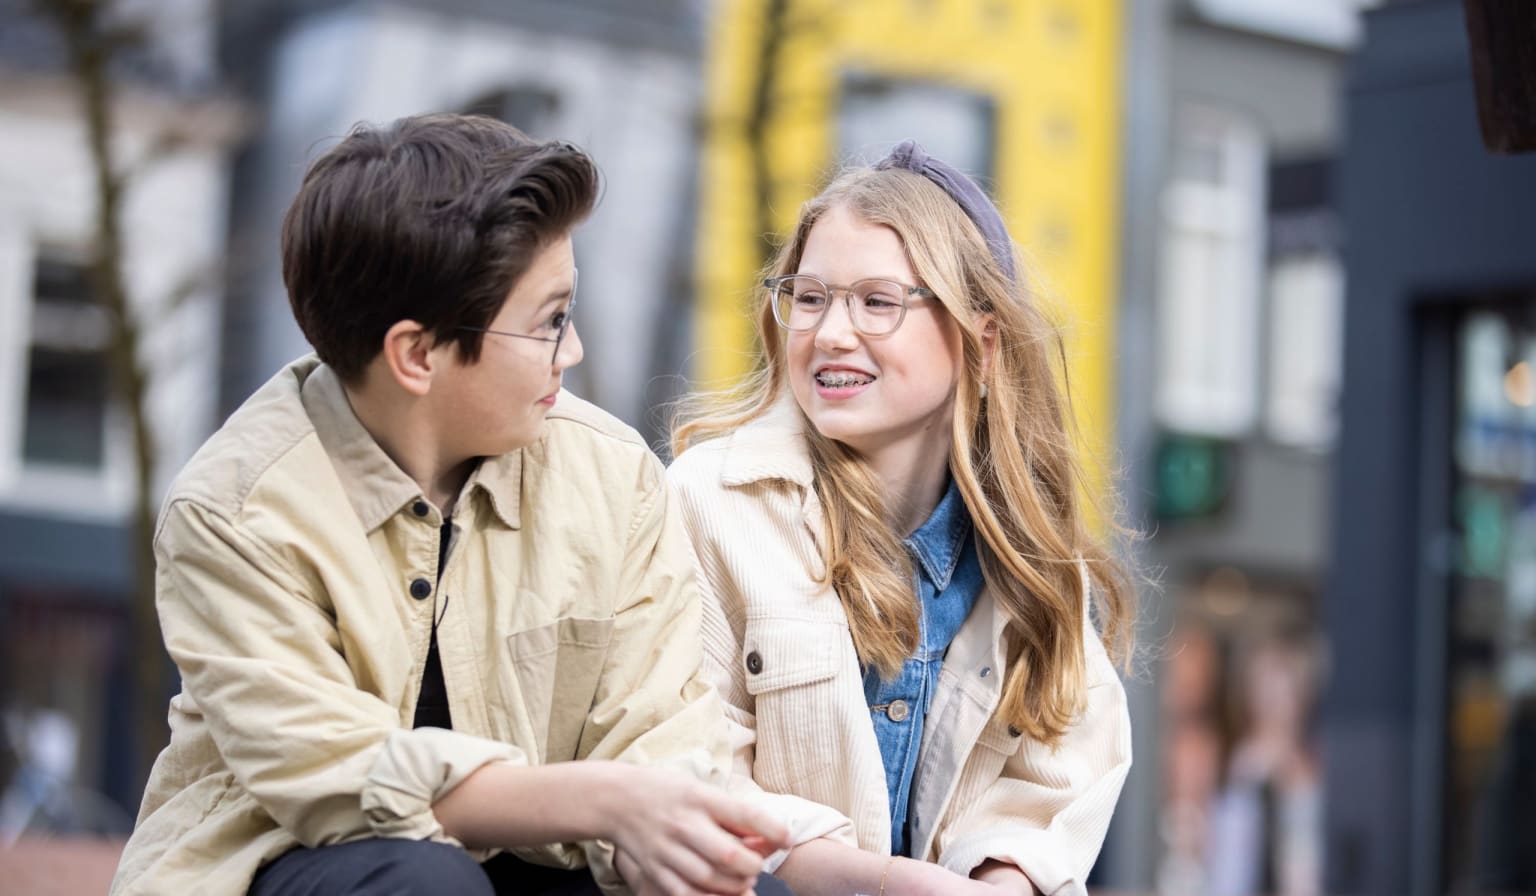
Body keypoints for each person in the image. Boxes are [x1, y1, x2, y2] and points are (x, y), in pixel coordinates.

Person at [110, 113, 793, 896]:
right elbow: (338, 782)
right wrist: (609, 800)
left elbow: (660, 736)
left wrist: (669, 840)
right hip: (297, 863)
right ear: (417, 354)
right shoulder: (233, 511)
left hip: (545, 863)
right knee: (425, 882)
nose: (573, 352)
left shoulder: (613, 475)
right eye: (550, 323)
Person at [667, 141, 1135, 896]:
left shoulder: (1031, 565)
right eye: (810, 296)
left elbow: (1054, 785)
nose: (830, 332)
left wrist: (1002, 880)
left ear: (980, 339)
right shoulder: (707, 503)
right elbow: (690, 763)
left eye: (877, 302)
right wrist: (881, 885)